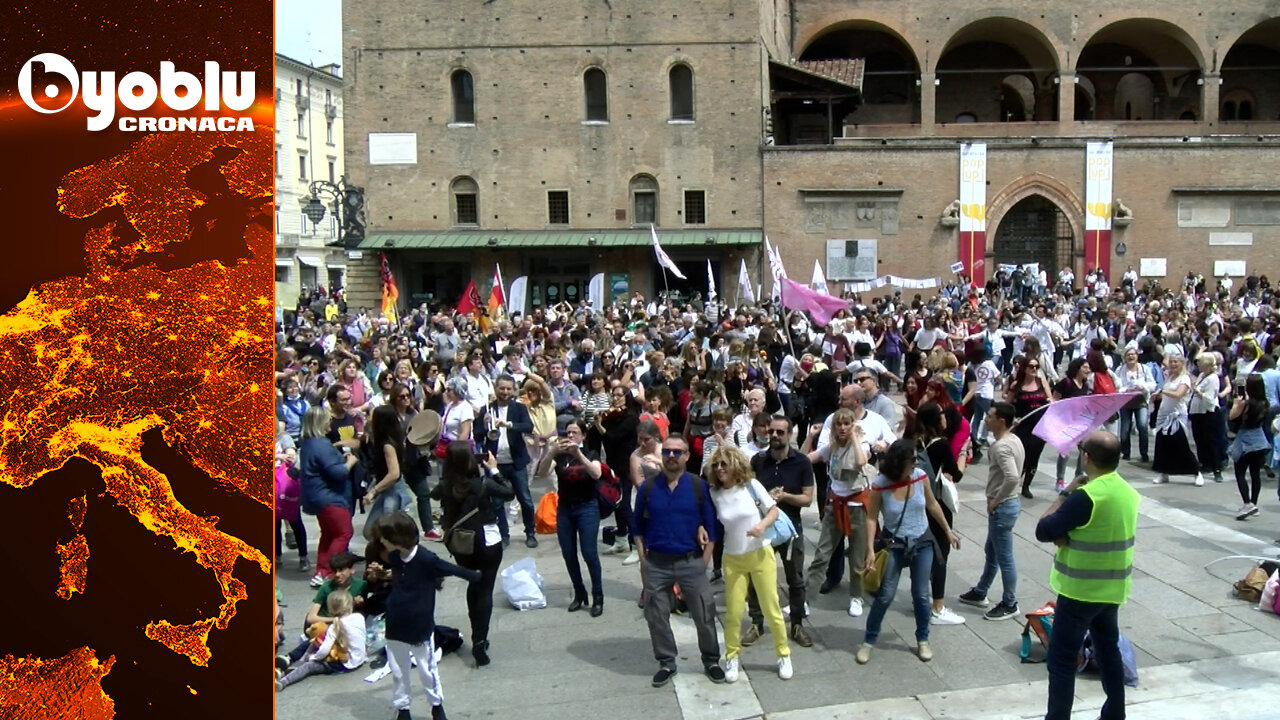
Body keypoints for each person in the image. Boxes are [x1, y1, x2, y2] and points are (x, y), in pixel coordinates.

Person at [1035, 431, 1139, 720]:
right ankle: (1115, 714)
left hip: (1080, 591)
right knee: (1108, 652)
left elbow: (1043, 529)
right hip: (1112, 589)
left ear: (1087, 457)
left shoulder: (1086, 496)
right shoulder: (1127, 491)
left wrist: (1067, 491)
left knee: (1061, 659)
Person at [855, 439, 960, 664]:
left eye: (916, 459)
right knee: (885, 595)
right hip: (895, 544)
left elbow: (932, 505)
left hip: (922, 542)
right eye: (912, 459)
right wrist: (870, 551)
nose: (916, 462)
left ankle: (923, 640)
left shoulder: (920, 476)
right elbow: (872, 517)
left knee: (921, 595)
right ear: (898, 462)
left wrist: (948, 532)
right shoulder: (881, 484)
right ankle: (869, 640)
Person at [633, 433, 725, 687]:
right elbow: (637, 526)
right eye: (667, 452)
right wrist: (643, 558)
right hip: (657, 563)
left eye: (677, 452)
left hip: (690, 561)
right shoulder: (649, 487)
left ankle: (711, 660)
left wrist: (704, 563)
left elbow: (712, 528)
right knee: (656, 615)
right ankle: (666, 662)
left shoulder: (698, 486)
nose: (671, 456)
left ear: (687, 456)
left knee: (704, 613)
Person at [372, 511, 483, 720]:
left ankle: (436, 706)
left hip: (420, 626)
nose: (381, 541)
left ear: (397, 538)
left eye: (385, 537)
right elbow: (397, 576)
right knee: (398, 670)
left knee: (427, 670)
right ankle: (403, 708)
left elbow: (448, 568)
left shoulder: (424, 558)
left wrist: (474, 576)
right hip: (395, 624)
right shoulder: (395, 557)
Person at [705, 444, 793, 682]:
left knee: (771, 610)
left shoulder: (751, 486)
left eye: (724, 463)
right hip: (733, 559)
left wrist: (761, 526)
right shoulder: (714, 493)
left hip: (761, 554)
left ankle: (783, 654)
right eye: (716, 465)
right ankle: (732, 656)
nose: (720, 468)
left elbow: (773, 511)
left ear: (735, 464)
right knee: (733, 614)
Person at [432, 441, 513, 666]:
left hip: (461, 545)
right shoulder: (483, 483)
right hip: (487, 543)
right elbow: (509, 492)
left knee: (473, 584)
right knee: (485, 589)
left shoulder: (446, 485)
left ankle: (475, 631)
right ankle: (480, 640)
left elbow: (433, 494)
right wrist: (494, 469)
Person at [744, 417, 815, 649]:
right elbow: (749, 490)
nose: (774, 436)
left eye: (780, 432)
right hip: (764, 526)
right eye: (771, 431)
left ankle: (796, 624)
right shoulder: (759, 460)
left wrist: (784, 497)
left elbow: (807, 499)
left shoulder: (802, 462)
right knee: (756, 577)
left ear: (789, 434)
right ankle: (756, 622)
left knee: (795, 578)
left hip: (790, 528)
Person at [958, 401, 1024, 621]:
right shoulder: (1012, 440)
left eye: (990, 416)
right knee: (992, 551)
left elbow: (1012, 476)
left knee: (1003, 557)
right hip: (1008, 505)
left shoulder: (1002, 446)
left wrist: (996, 499)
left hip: (1003, 506)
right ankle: (981, 590)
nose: (986, 419)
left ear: (1001, 421)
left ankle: (1010, 602)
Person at [802, 409, 871, 618]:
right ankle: (806, 600)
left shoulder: (861, 444)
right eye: (838, 425)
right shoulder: (830, 447)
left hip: (857, 506)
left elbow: (861, 462)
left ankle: (856, 596)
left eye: (846, 424)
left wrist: (856, 439)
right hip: (835, 504)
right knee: (822, 555)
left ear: (852, 425)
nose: (842, 428)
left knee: (857, 558)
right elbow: (805, 459)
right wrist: (810, 436)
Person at [538, 419, 606, 616]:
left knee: (589, 553)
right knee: (568, 553)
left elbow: (596, 474)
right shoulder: (559, 456)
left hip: (587, 507)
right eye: (568, 433)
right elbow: (542, 473)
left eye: (575, 432)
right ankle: (579, 592)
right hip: (565, 508)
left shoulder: (590, 452)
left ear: (583, 435)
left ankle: (598, 595)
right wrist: (551, 451)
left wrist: (579, 454)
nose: (570, 436)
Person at [915, 403, 966, 626]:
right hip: (938, 504)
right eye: (942, 414)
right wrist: (963, 453)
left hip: (919, 502)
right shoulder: (942, 445)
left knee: (922, 551)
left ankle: (921, 596)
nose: (946, 417)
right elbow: (957, 473)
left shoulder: (917, 440)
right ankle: (938, 606)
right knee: (940, 555)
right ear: (938, 420)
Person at [299, 407, 360, 587]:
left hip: (316, 497)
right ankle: (330, 573)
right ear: (320, 423)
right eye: (328, 420)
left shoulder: (307, 444)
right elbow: (338, 473)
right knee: (343, 533)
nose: (330, 423)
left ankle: (321, 571)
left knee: (328, 535)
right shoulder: (321, 444)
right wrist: (349, 462)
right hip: (330, 497)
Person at [475, 375, 537, 548]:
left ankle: (530, 532)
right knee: (497, 502)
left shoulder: (519, 408)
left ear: (513, 390)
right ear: (496, 389)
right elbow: (478, 435)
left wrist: (509, 425)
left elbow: (529, 427)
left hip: (516, 461)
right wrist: (484, 423)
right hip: (495, 462)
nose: (505, 392)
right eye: (502, 388)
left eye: (508, 388)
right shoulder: (486, 409)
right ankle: (504, 535)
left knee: (525, 499)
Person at [274, 589, 367, 691]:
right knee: (319, 640)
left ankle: (284, 681)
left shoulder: (334, 627)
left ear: (331, 609)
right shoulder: (359, 617)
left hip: (346, 664)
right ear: (351, 605)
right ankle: (295, 665)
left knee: (309, 666)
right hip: (360, 658)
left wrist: (314, 657)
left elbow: (324, 650)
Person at [363, 405, 416, 540]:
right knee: (374, 532)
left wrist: (373, 491)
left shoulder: (387, 445)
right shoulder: (391, 439)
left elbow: (394, 474)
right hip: (388, 491)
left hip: (393, 492)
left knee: (382, 532)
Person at [1151, 352, 1205, 485]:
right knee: (1162, 444)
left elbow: (1178, 394)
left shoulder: (1185, 378)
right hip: (1164, 414)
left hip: (1177, 415)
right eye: (1171, 362)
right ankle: (1163, 472)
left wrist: (1162, 392)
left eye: (1176, 362)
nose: (1173, 364)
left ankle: (1196, 471)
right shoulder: (1169, 377)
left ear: (1182, 363)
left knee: (1180, 444)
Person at [1229, 374, 1269, 519]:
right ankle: (1254, 503)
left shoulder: (1245, 403)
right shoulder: (1265, 402)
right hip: (1259, 438)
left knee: (1240, 472)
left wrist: (1236, 402)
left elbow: (1232, 416)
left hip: (1245, 439)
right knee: (1255, 473)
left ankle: (1247, 504)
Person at [1188, 352, 1226, 484]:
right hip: (1197, 412)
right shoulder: (1201, 375)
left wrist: (1198, 391)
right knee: (1199, 439)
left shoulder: (1213, 378)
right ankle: (1205, 463)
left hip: (1208, 413)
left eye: (1201, 362)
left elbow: (1210, 398)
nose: (1198, 364)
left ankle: (1217, 468)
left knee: (1211, 441)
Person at [1116, 347, 1156, 462]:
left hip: (1141, 401)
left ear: (1137, 356)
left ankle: (1144, 453)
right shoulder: (1120, 370)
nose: (1131, 357)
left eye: (1133, 354)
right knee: (1125, 429)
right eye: (1128, 355)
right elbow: (1117, 386)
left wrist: (1143, 386)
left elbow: (1152, 384)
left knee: (1142, 426)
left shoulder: (1144, 369)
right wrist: (1126, 390)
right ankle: (1126, 452)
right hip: (1125, 402)